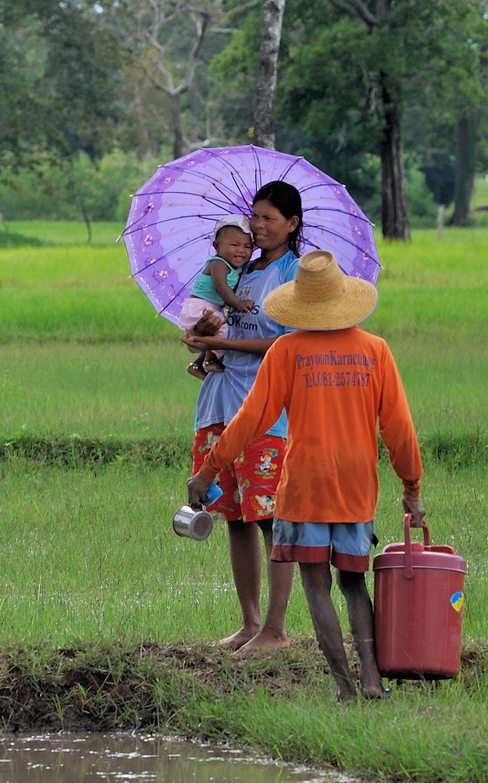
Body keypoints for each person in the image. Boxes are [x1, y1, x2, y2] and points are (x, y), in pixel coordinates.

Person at [186, 249, 426, 701]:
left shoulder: (287, 350)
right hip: (356, 485)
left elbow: (251, 418)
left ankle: (344, 689)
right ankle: (372, 680)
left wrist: (209, 468)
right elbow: (398, 428)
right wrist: (411, 487)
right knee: (353, 582)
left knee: (317, 584)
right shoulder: (375, 350)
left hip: (305, 484)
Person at [180, 181, 302, 659]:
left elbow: (286, 345)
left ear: (292, 224)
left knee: (270, 516)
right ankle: (250, 621)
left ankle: (276, 627)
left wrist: (227, 345)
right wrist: (207, 339)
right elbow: (221, 326)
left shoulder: (295, 278)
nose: (257, 226)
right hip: (220, 402)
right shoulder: (237, 273)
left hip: (267, 410)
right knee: (234, 517)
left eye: (269, 219)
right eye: (254, 217)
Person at [177, 215, 256, 379]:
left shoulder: (238, 268)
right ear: (217, 246)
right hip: (201, 308)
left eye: (248, 246)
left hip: (208, 307)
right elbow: (221, 288)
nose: (241, 250)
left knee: (217, 331)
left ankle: (197, 364)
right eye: (234, 245)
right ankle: (210, 359)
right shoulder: (218, 264)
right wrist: (239, 304)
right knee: (224, 330)